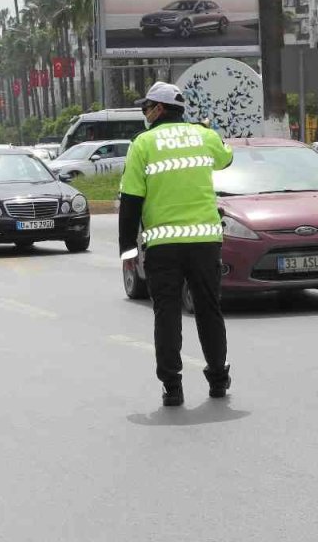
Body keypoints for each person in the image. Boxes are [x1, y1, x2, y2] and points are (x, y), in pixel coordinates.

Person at [118, 82, 235, 407]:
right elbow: (226, 159)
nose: (144, 112)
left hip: (163, 245)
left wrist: (127, 249)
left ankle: (172, 387)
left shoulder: (143, 143)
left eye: (146, 107)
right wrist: (211, 131)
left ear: (159, 109)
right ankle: (218, 379)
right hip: (204, 241)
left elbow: (131, 201)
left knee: (166, 313)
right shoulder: (204, 136)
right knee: (209, 310)